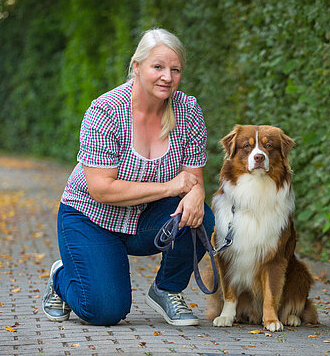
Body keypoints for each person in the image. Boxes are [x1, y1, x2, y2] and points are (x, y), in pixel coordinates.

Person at [42, 28, 215, 326]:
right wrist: (171, 187)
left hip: (144, 221)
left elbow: (192, 179)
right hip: (91, 218)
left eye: (175, 70)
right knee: (105, 310)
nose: (167, 77)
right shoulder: (106, 111)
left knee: (203, 216)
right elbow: (101, 189)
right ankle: (63, 276)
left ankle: (166, 289)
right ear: (136, 67)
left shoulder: (188, 111)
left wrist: (197, 192)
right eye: (158, 67)